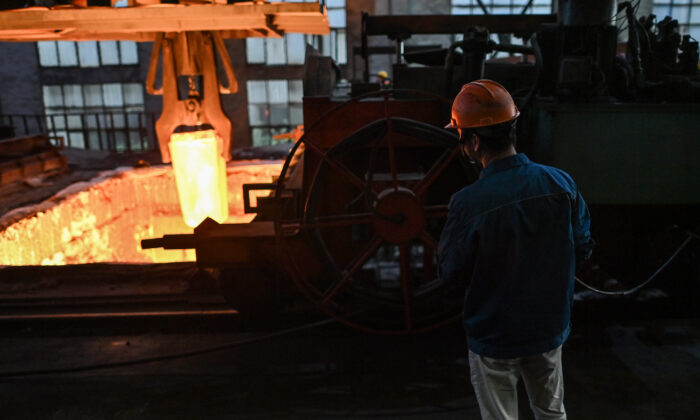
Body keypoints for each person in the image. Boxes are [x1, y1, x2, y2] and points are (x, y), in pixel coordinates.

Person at [438, 79, 593, 420]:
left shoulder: (467, 203)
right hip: (548, 327)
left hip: (494, 334)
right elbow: (582, 246)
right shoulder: (560, 183)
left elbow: (452, 272)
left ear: (475, 142)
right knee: (552, 412)